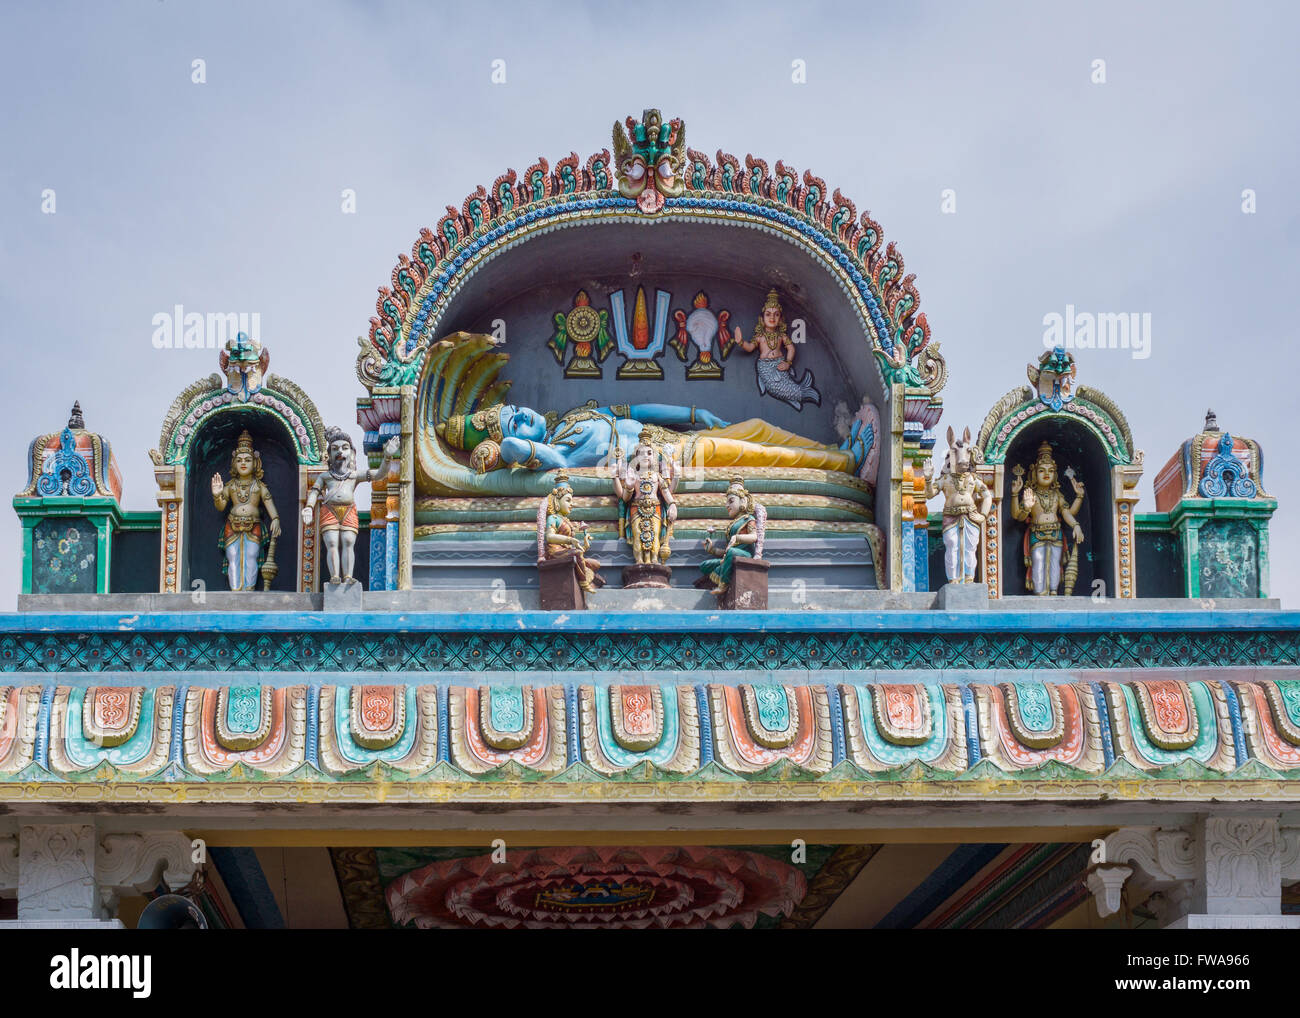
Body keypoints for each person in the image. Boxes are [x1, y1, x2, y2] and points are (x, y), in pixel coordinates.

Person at [211, 431, 280, 591]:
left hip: (253, 525)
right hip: (232, 524)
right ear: (234, 463)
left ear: (255, 463)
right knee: (233, 556)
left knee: (251, 556)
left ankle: (249, 590)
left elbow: (271, 507)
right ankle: (236, 591)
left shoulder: (259, 486)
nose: (243, 463)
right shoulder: (230, 486)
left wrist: (275, 519)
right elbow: (221, 506)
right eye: (239, 460)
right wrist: (217, 495)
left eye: (248, 460)